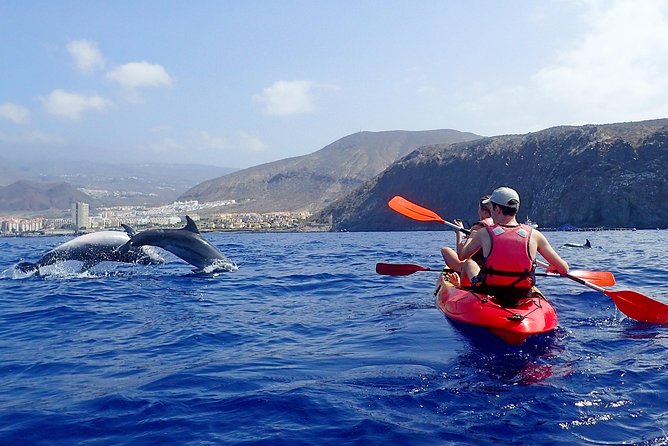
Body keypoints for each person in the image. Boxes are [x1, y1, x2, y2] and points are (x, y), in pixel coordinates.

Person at [458, 186, 569, 306]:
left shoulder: (483, 234)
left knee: (469, 263)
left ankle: (463, 292)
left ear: (498, 209)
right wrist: (553, 266)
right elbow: (564, 269)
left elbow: (463, 256)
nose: (491, 213)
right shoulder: (535, 235)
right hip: (521, 293)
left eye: (491, 208)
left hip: (489, 291)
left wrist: (471, 237)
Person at [440, 195, 493, 274]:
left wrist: (459, 234)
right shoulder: (499, 225)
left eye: (479, 209)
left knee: (445, 250)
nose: (478, 212)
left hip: (476, 268)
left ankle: (461, 273)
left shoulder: (478, 227)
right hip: (492, 267)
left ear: (484, 212)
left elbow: (461, 255)